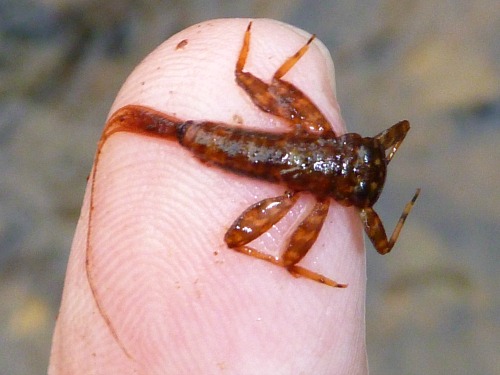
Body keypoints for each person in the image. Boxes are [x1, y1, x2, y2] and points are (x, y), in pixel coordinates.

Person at [49, 18, 368, 374]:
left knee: (257, 245)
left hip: (208, 138)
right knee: (261, 250)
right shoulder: (321, 193)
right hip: (208, 139)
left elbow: (276, 82)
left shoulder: (318, 132)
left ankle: (164, 127)